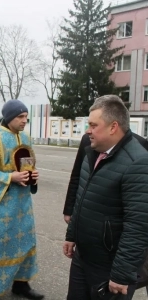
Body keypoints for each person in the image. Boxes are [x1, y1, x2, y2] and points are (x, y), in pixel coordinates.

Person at [63, 95, 148, 299]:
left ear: (113, 127)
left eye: (93, 125)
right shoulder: (92, 152)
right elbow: (83, 198)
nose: (87, 130)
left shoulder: (138, 162)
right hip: (82, 258)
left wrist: (121, 274)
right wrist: (71, 235)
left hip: (110, 268)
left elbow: (137, 226)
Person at [0, 99, 43, 299]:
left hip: (23, 204)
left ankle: (21, 284)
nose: (24, 121)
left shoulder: (26, 138)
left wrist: (32, 176)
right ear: (8, 118)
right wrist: (9, 177)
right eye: (20, 117)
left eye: (26, 117)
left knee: (25, 242)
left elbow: (28, 164)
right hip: (0, 205)